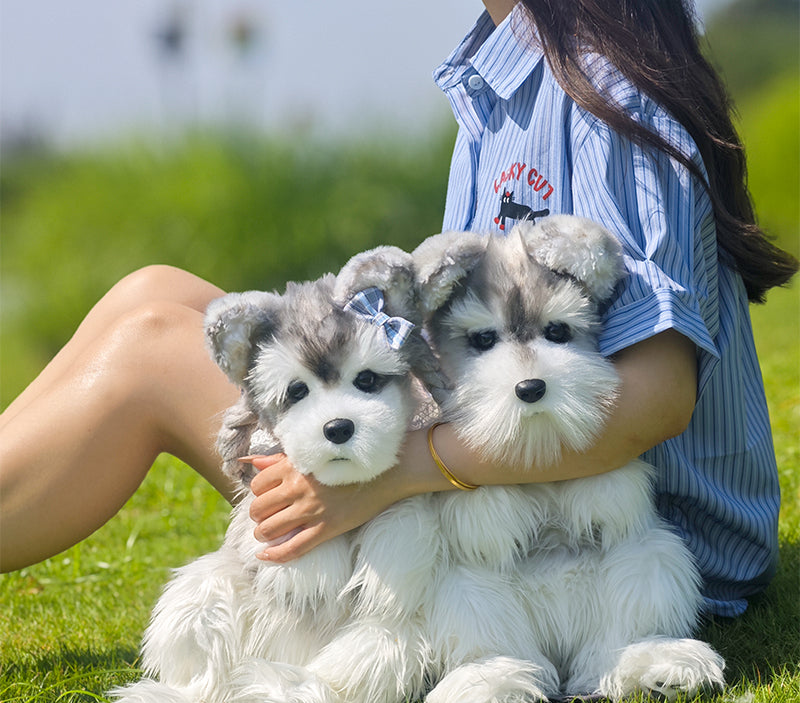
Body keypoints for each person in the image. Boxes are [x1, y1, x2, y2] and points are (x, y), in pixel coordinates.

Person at [1, 0, 795, 617]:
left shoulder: (605, 99)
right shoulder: (514, 74)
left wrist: (388, 478)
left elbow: (654, 399)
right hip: (516, 493)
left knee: (148, 350)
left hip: (619, 547)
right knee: (154, 293)